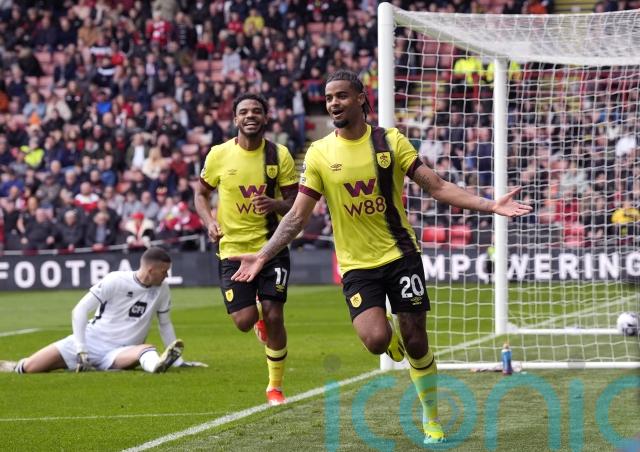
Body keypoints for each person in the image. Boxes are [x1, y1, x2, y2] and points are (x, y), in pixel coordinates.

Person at [230, 70, 532, 444]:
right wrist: (263, 255)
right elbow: (296, 217)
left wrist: (490, 205)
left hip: (401, 255)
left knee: (416, 340)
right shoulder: (320, 153)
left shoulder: (390, 141)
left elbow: (436, 186)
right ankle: (389, 337)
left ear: (360, 98)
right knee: (375, 340)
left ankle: (431, 418)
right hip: (357, 265)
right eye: (329, 98)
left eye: (341, 95)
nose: (334, 103)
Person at [194, 93, 298, 406]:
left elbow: (296, 204)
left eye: (256, 111)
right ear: (235, 119)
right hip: (232, 249)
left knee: (275, 314)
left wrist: (274, 204)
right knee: (243, 320)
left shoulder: (279, 155)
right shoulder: (219, 154)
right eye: (244, 111)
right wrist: (209, 222)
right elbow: (201, 194)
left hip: (271, 248)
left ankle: (274, 387)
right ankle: (256, 318)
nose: (250, 115)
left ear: (265, 117)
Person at [0, 247, 206, 374]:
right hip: (91, 341)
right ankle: (15, 366)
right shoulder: (116, 280)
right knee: (30, 368)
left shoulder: (162, 289)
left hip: (122, 351)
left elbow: (165, 324)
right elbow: (79, 310)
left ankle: (157, 366)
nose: (167, 276)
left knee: (147, 350)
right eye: (164, 271)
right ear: (151, 270)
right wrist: (81, 348)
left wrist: (179, 362)